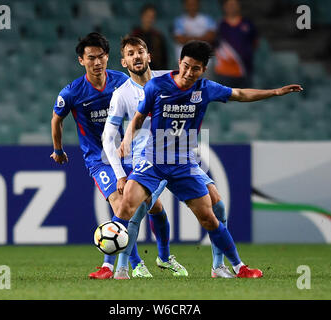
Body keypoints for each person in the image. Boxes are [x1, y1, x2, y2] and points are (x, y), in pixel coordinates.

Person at [117, 40, 303, 279]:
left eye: (195, 68)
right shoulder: (156, 86)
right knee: (127, 207)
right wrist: (127, 140)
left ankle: (237, 266)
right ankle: (115, 267)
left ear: (203, 69)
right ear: (179, 63)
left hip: (183, 162)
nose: (188, 72)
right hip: (153, 160)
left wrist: (275, 92)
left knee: (210, 216)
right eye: (185, 66)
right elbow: (139, 116)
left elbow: (240, 94)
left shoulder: (205, 89)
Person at [50, 32, 145, 280]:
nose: (97, 62)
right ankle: (126, 265)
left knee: (147, 206)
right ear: (81, 60)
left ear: (107, 57)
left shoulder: (121, 81)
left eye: (101, 56)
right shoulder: (72, 92)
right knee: (118, 203)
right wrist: (58, 150)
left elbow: (139, 110)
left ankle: (160, 257)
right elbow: (56, 119)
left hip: (127, 155)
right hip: (98, 158)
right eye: (91, 57)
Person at [103, 36, 188, 279]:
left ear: (149, 55)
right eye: (130, 53)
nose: (136, 56)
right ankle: (141, 263)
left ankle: (146, 261)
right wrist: (119, 173)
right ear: (123, 61)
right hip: (140, 161)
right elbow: (108, 138)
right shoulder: (121, 94)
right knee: (149, 208)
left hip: (169, 157)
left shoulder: (170, 79)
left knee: (148, 208)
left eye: (140, 51)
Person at [214, 0, 258, 88]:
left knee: (247, 99)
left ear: (239, 6)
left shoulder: (248, 23)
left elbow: (255, 42)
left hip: (244, 69)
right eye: (229, 5)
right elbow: (214, 44)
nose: (231, 7)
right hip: (224, 72)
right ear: (224, 7)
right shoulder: (219, 25)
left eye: (234, 4)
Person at [130, 4, 169, 70]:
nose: (150, 19)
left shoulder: (158, 37)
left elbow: (164, 59)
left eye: (152, 17)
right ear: (142, 16)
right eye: (147, 16)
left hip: (155, 73)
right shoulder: (134, 36)